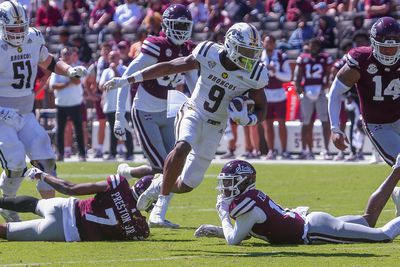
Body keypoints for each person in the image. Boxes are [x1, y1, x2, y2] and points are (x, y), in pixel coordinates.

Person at [104, 22, 269, 228]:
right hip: (193, 111)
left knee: (186, 185)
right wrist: (129, 80)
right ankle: (159, 210)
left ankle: (157, 185)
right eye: (245, 50)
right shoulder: (209, 52)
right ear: (230, 44)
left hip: (216, 125)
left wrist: (248, 119)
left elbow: (262, 108)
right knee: (182, 146)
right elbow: (171, 66)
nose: (249, 57)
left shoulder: (255, 74)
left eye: (253, 52)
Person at [0, 1, 87, 222]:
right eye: (13, 29)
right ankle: (7, 203)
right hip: (2, 116)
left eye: (21, 28)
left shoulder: (33, 38)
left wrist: (69, 70)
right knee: (16, 161)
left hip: (26, 113)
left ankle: (52, 213)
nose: (18, 33)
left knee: (45, 156)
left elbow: (49, 62)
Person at [194, 159, 400, 245]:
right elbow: (247, 232)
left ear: (244, 181)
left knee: (383, 236)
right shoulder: (250, 198)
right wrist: (217, 230)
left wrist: (222, 215)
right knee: (366, 222)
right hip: (312, 222)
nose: (225, 188)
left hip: (313, 230)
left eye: (229, 182)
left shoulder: (247, 206)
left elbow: (234, 240)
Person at [113, 4, 196, 180]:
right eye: (177, 26)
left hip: (169, 112)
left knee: (176, 164)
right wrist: (119, 117)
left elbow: (195, 85)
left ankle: (129, 173)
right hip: (145, 111)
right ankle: (145, 195)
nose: (181, 31)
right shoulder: (156, 46)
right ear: (166, 26)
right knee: (162, 168)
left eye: (184, 26)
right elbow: (126, 77)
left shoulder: (187, 49)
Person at [328, 17, 400, 217]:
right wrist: (335, 128)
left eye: (393, 47)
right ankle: (373, 216)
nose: (388, 51)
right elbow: (335, 93)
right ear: (374, 44)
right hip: (379, 125)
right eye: (384, 47)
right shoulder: (361, 60)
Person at [0, 168, 151, 241]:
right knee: (7, 231)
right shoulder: (140, 229)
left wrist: (43, 175)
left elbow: (69, 188)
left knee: (34, 204)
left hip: (64, 207)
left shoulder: (118, 184)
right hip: (63, 231)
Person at [294, 38, 333, 160]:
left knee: (325, 121)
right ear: (309, 46)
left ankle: (326, 149)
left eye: (316, 45)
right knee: (306, 123)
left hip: (320, 91)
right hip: (307, 91)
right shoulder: (303, 58)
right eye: (312, 45)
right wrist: (300, 88)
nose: (314, 47)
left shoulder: (325, 57)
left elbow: (329, 74)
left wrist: (326, 85)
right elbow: (297, 76)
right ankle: (306, 150)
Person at [49, 47, 86, 162]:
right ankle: (60, 154)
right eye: (65, 54)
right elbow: (53, 86)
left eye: (69, 54)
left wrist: (65, 82)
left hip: (75, 104)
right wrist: (68, 83)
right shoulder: (57, 70)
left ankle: (82, 154)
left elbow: (77, 81)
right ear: (61, 56)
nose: (67, 56)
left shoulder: (76, 68)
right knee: (60, 131)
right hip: (61, 104)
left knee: (79, 130)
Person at [99, 50, 134, 160]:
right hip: (110, 105)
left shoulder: (125, 69)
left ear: (119, 57)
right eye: (110, 57)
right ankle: (112, 153)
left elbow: (124, 83)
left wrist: (115, 71)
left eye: (114, 57)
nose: (112, 59)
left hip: (124, 105)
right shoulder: (105, 72)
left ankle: (130, 153)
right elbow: (101, 86)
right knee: (113, 130)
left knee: (126, 129)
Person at [261, 35, 292, 160]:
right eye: (266, 42)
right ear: (263, 43)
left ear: (274, 43)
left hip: (279, 94)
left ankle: (284, 150)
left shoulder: (281, 56)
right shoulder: (258, 57)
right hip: (265, 94)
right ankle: (271, 150)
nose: (268, 45)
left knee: (281, 123)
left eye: (271, 42)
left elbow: (288, 77)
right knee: (267, 125)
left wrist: (275, 72)